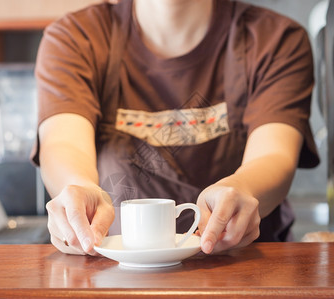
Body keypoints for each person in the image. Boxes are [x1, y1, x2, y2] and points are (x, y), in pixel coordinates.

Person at [32, 0, 319, 256]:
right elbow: (62, 142)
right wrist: (78, 190)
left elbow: (275, 154)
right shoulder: (76, 37)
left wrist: (242, 187)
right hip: (111, 274)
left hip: (240, 269)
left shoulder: (275, 39)